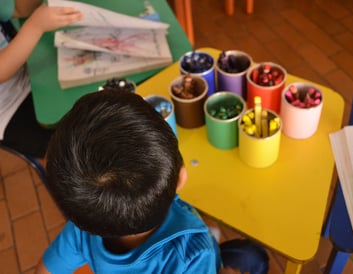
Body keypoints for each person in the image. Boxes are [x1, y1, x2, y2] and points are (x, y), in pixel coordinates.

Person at [35, 90, 268, 274]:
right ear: (181, 178)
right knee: (254, 257)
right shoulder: (193, 254)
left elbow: (45, 270)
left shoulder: (82, 228)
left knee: (220, 235)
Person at [0, 0, 82, 158]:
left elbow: (19, 8)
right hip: (9, 109)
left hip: (29, 71)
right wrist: (35, 26)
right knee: (68, 151)